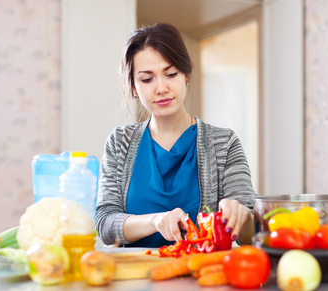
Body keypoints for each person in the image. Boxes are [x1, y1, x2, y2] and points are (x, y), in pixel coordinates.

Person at [95, 23, 257, 248]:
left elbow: (249, 234)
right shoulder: (120, 142)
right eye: (147, 79)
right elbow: (105, 223)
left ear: (186, 75)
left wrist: (242, 216)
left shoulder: (224, 143)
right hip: (137, 276)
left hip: (202, 278)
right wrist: (156, 220)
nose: (161, 88)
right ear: (133, 86)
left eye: (170, 74)